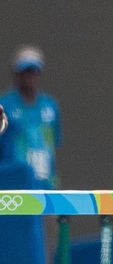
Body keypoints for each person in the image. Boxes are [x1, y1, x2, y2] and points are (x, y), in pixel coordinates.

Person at [0, 46, 61, 189]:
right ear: (16, 73)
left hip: (44, 180)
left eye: (33, 71)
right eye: (25, 71)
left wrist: (54, 183)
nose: (29, 76)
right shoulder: (4, 105)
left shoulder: (50, 105)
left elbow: (51, 146)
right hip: (15, 183)